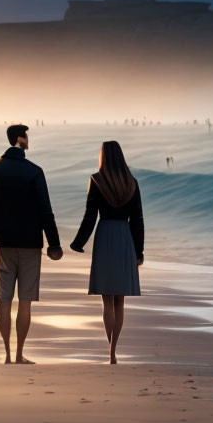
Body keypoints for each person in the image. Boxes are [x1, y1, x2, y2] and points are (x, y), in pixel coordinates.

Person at [0, 124, 63, 364]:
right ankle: (19, 354)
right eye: (27, 136)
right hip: (30, 243)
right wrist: (54, 243)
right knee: (25, 300)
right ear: (20, 139)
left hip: (4, 243)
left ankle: (6, 354)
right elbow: (46, 212)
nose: (28, 139)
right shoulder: (34, 172)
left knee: (4, 298)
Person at [69, 141, 143, 364]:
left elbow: (90, 216)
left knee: (107, 301)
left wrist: (78, 242)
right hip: (124, 238)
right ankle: (113, 350)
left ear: (103, 157)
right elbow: (138, 220)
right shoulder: (132, 183)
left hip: (104, 237)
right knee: (119, 301)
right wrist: (139, 251)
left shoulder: (96, 180)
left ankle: (110, 353)